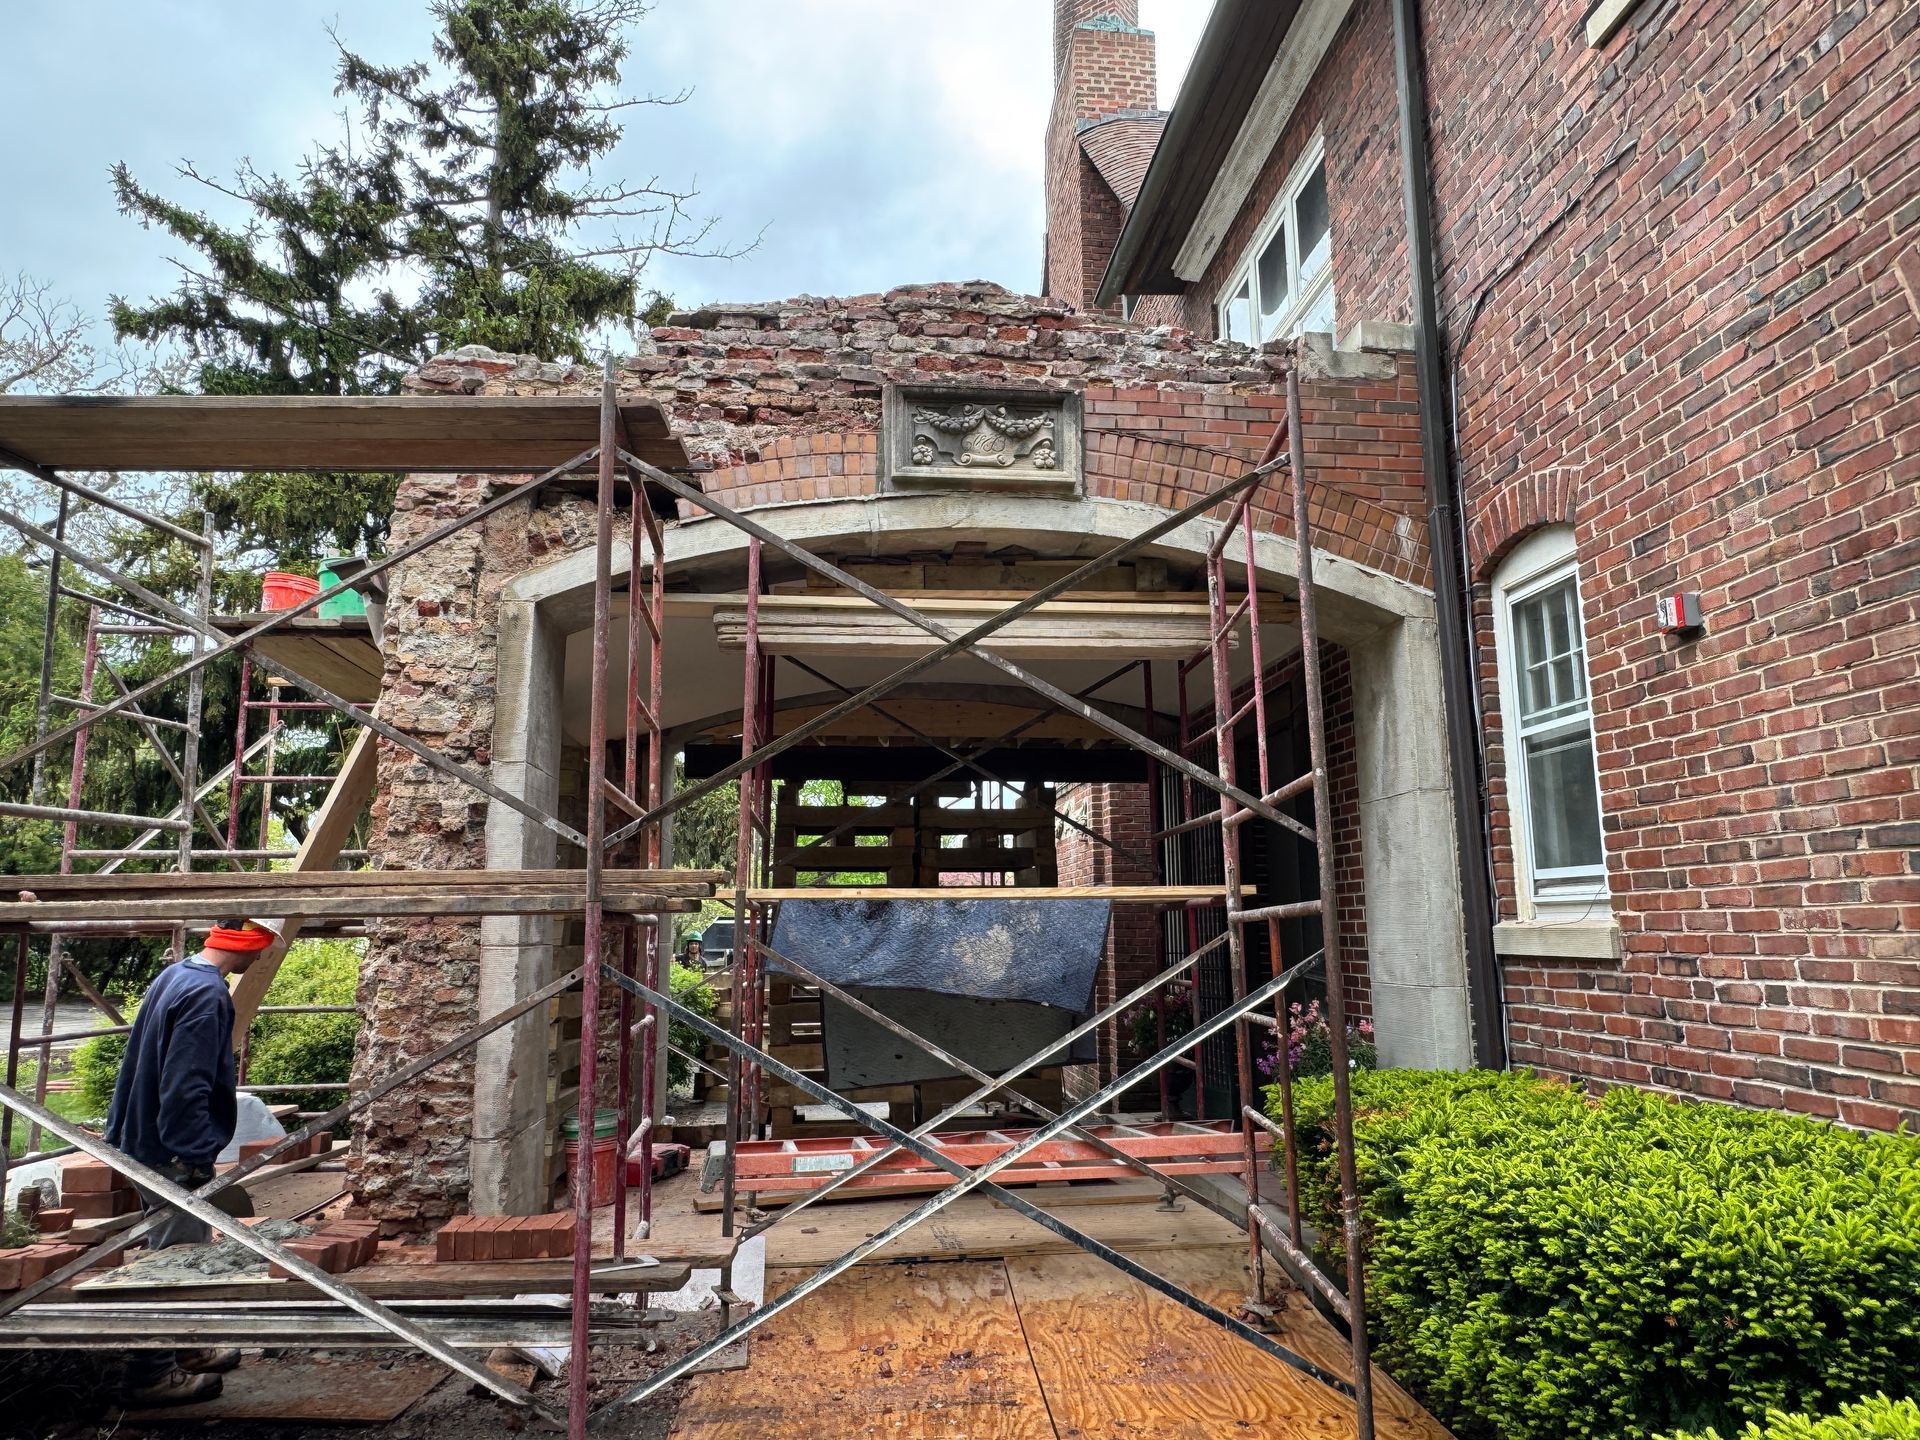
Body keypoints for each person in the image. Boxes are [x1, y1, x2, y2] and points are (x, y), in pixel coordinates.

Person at [104, 922, 272, 1406]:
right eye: (259, 952)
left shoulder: (177, 974)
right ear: (248, 946)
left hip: (141, 1134)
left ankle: (190, 1347)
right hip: (167, 1146)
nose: (258, 962)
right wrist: (192, 1153)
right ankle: (150, 1374)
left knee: (182, 1244)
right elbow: (186, 1080)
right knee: (175, 1259)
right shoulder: (206, 995)